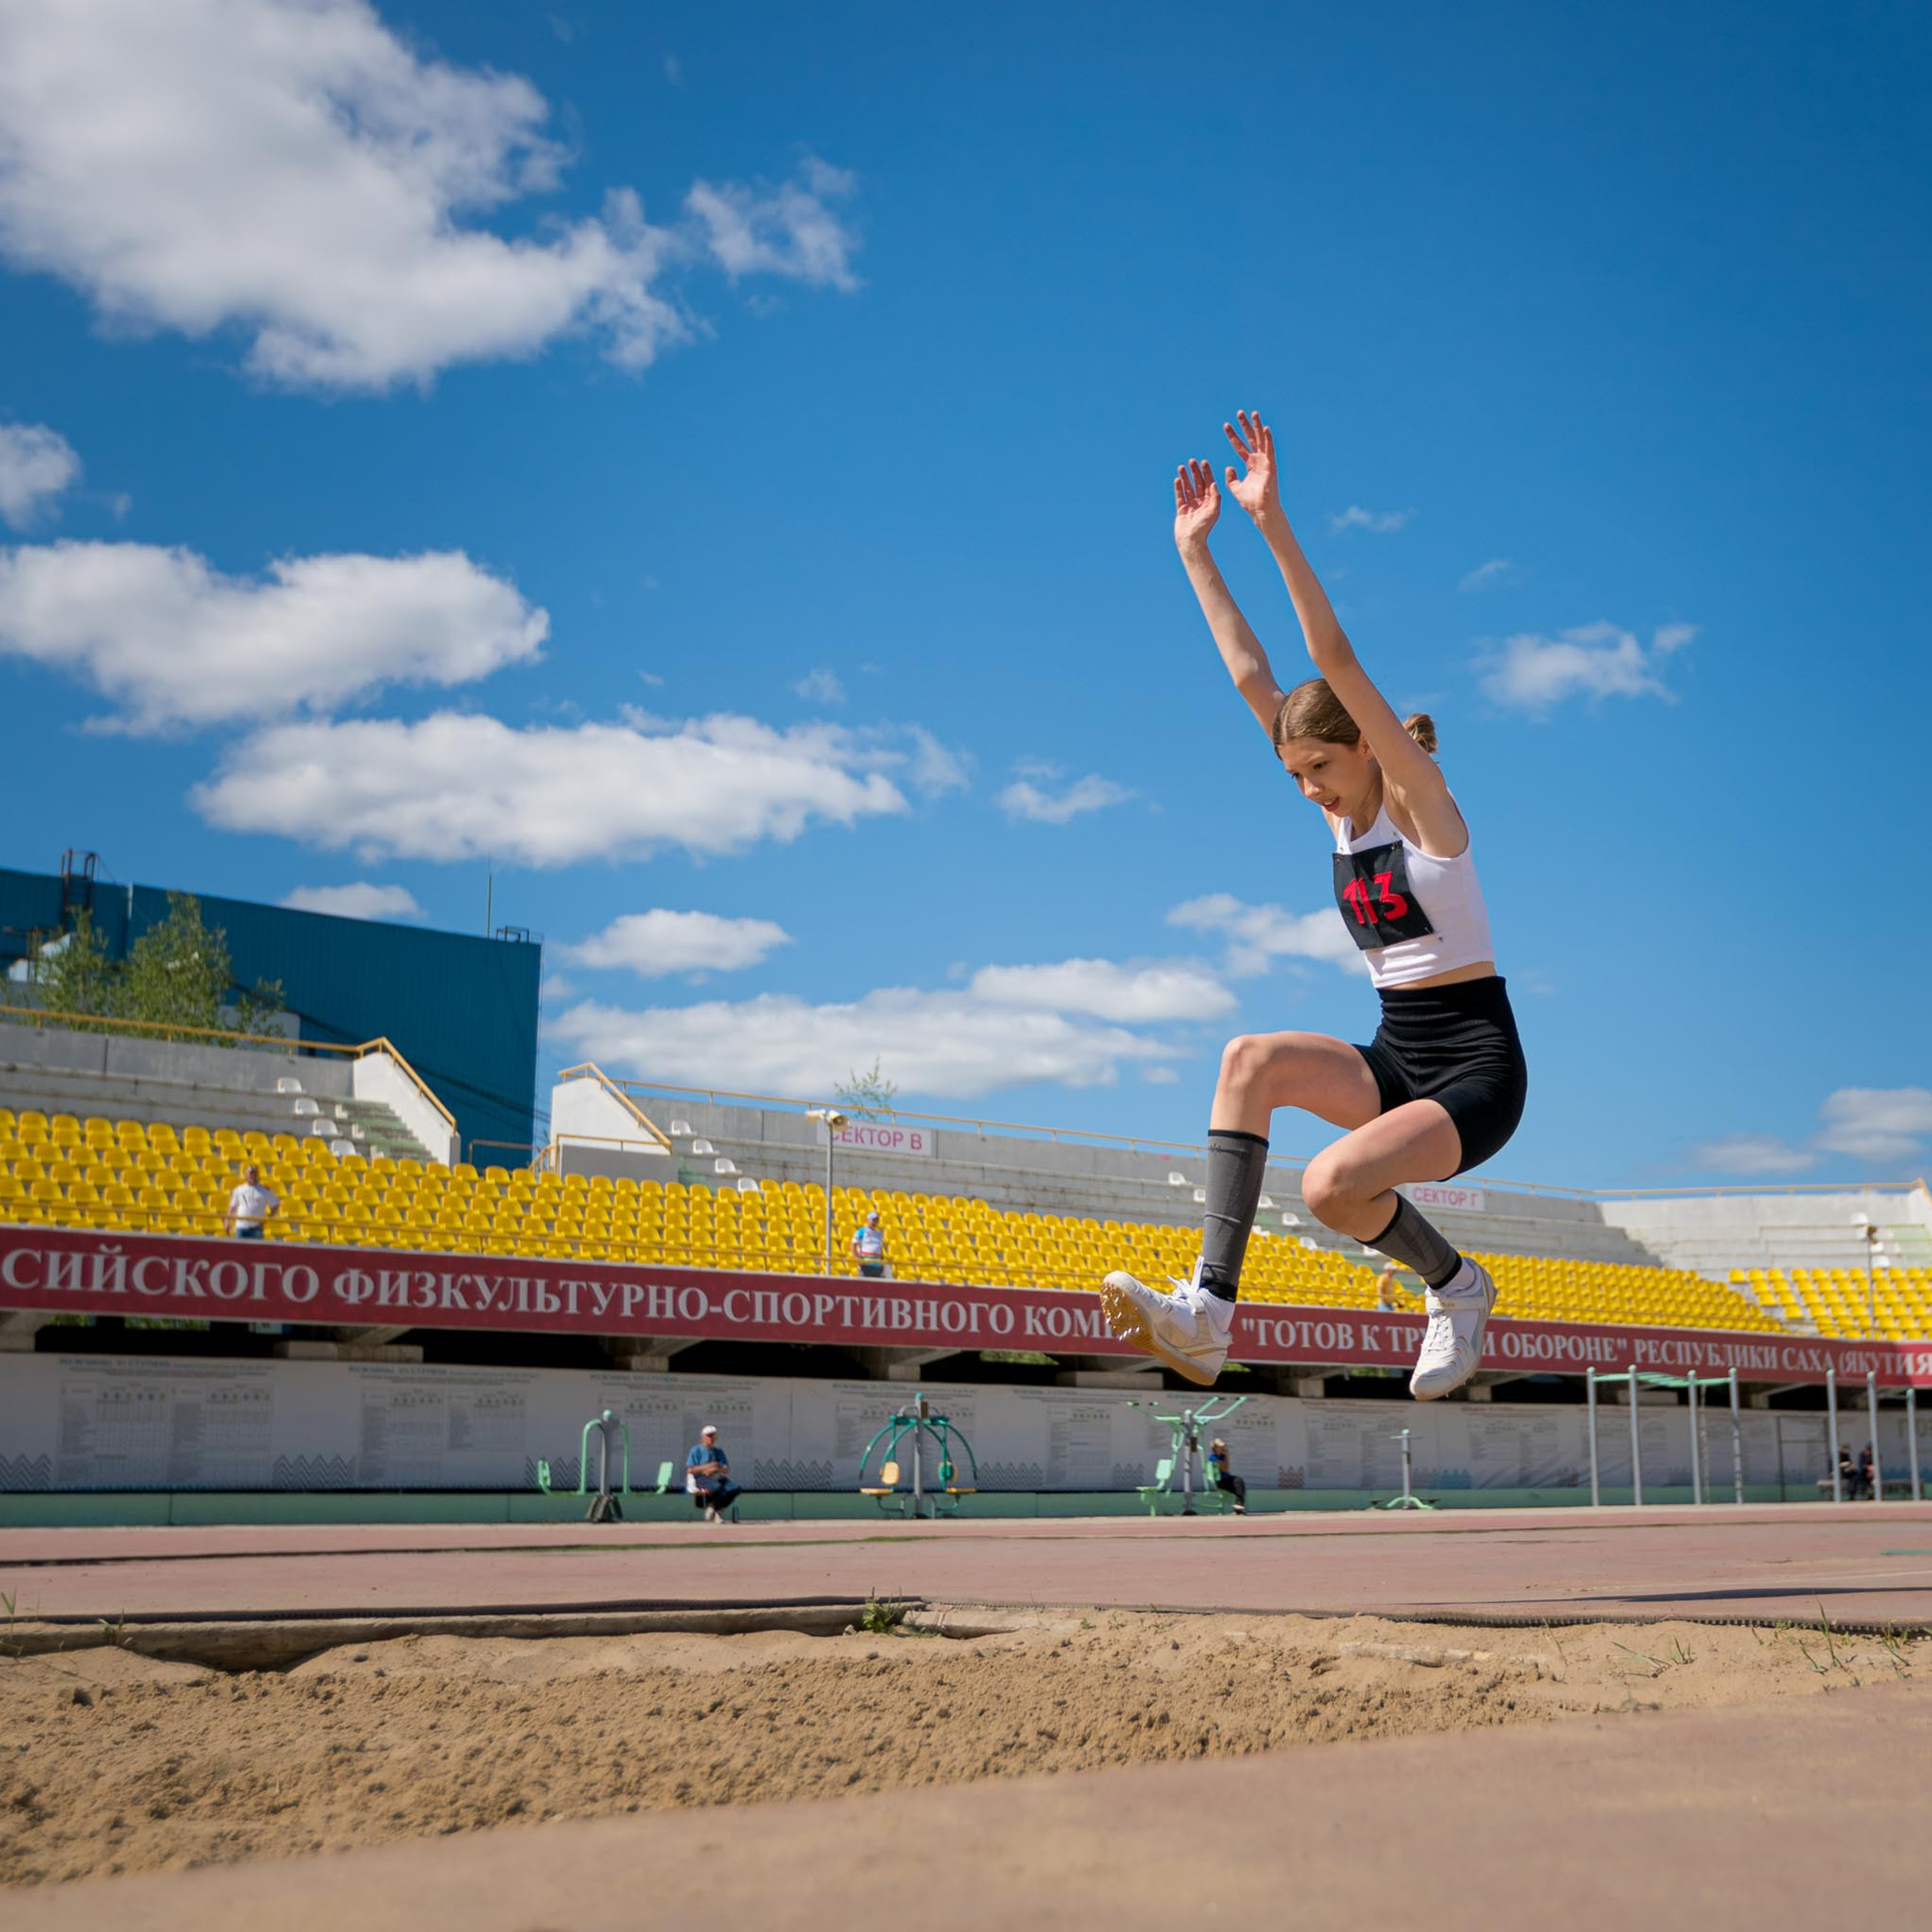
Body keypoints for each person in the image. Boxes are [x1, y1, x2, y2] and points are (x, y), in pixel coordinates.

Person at [1102, 410, 1527, 1403]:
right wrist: (1194, 551)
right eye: (1293, 774)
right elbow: (1259, 676)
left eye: (1321, 770)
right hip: (1396, 1051)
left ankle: (1458, 1289)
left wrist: (1273, 528)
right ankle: (1207, 1315)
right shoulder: (1336, 815)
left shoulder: (1427, 813)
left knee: (1332, 1185)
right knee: (1247, 1060)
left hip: (1476, 1067)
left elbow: (1332, 665)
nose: (1309, 791)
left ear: (1370, 749)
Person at [686, 1423, 742, 1523]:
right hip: (701, 1478)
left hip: (717, 1477)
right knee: (718, 1488)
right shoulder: (696, 1450)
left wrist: (716, 1468)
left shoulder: (718, 1451)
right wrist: (709, 1466)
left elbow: (726, 1468)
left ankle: (713, 1507)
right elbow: (690, 1470)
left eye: (713, 1435)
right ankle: (718, 1515)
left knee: (735, 1488)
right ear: (703, 1437)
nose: (711, 1438)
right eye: (709, 1435)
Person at [224, 1162, 279, 1240]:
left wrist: (268, 1218)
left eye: (255, 1174)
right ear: (246, 1175)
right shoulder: (239, 1190)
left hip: (256, 1228)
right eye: (251, 1174)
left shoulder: (264, 1190)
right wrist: (227, 1222)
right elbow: (232, 1207)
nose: (253, 1176)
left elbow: (275, 1205)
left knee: (257, 1251)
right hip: (241, 1227)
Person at [1206, 1435, 1247, 1515]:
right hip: (1220, 1481)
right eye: (1220, 1447)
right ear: (1215, 1448)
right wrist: (1227, 1454)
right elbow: (1225, 1469)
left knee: (1240, 1483)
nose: (1222, 1448)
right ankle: (1239, 1506)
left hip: (1226, 1479)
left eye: (1223, 1447)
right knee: (1238, 1482)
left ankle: (1239, 1506)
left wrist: (1225, 1455)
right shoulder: (1213, 1458)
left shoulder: (1222, 1456)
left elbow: (1226, 1468)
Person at [851, 1208, 888, 1278]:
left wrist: (882, 1261)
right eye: (873, 1220)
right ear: (868, 1220)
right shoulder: (862, 1231)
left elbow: (880, 1248)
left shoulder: (879, 1234)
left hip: (877, 1264)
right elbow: (853, 1245)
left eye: (876, 1221)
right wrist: (858, 1259)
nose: (875, 1222)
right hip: (866, 1263)